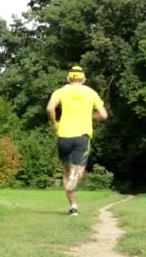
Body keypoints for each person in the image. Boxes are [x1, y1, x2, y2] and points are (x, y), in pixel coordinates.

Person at [46, 66, 108, 216]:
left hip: (63, 136)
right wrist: (89, 116)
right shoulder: (90, 93)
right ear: (84, 80)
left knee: (67, 171)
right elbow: (103, 115)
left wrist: (54, 123)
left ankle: (73, 205)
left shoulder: (60, 91)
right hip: (82, 137)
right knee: (78, 171)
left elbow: (49, 109)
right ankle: (73, 181)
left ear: (68, 79)